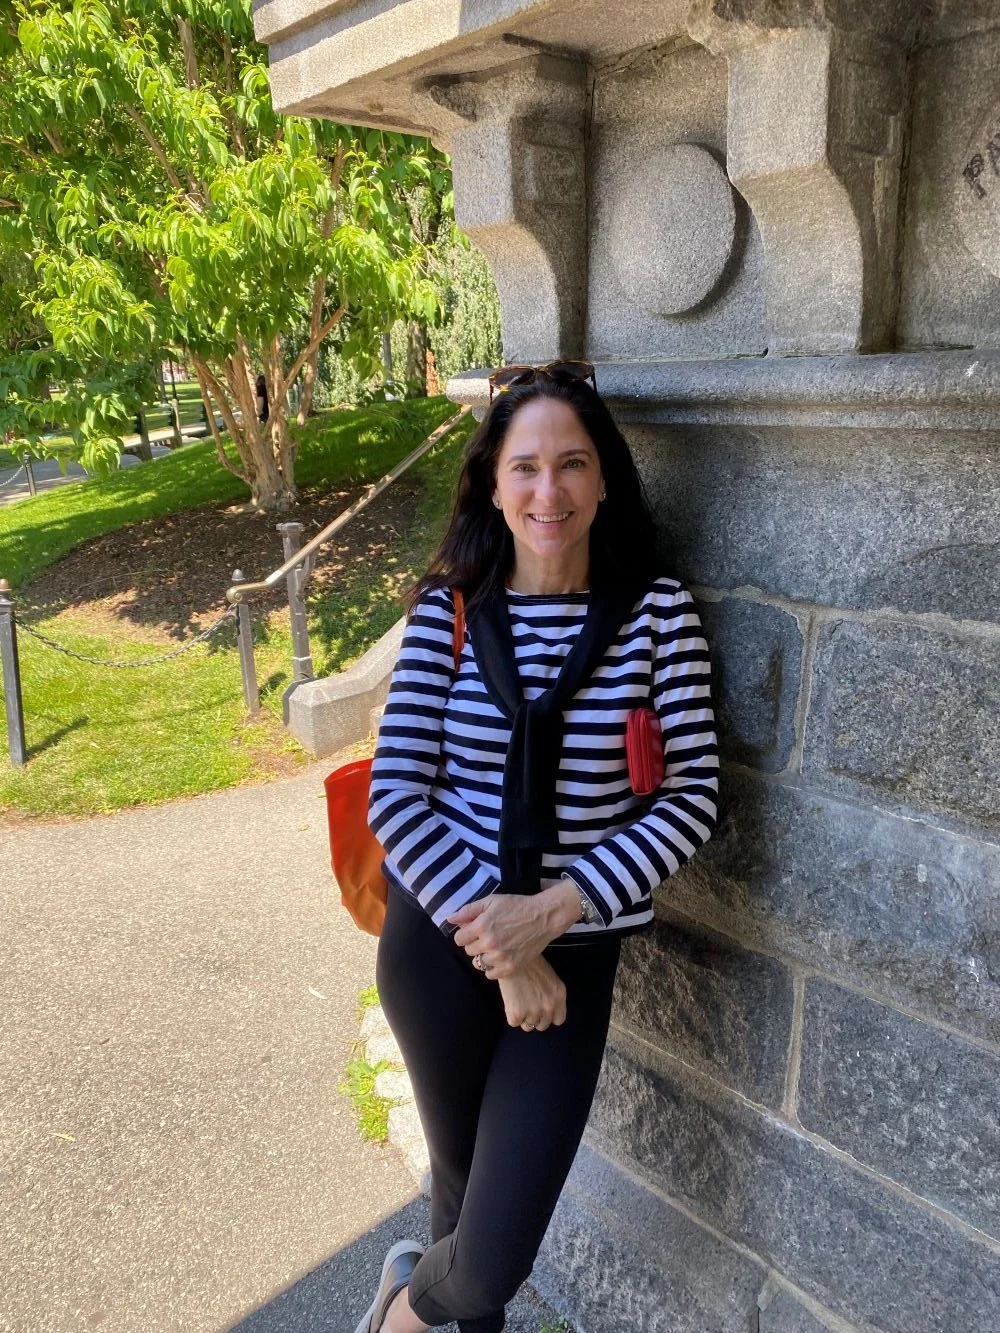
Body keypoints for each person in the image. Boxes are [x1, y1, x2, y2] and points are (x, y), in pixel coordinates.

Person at [358, 361, 719, 1333]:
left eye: (571, 464)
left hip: (572, 960)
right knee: (462, 1194)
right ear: (491, 483)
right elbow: (396, 800)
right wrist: (502, 945)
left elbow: (690, 799)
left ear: (605, 479)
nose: (547, 490)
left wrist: (553, 912)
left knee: (490, 1256)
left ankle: (399, 1306)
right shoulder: (449, 613)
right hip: (438, 952)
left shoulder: (657, 617)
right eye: (524, 467)